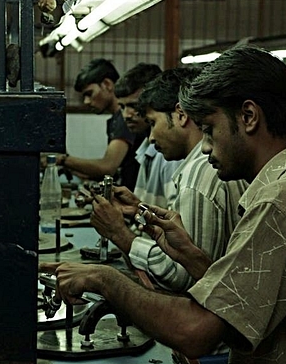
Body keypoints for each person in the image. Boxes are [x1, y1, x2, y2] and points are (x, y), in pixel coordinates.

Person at [42, 45, 286, 364]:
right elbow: (243, 309)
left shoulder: (280, 203)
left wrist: (104, 280)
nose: (204, 146)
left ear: (248, 116)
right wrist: (192, 257)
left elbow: (196, 332)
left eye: (211, 129)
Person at [92, 67, 247, 293]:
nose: (151, 136)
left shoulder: (199, 174)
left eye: (153, 123)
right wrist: (139, 209)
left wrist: (119, 233)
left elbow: (181, 277)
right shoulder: (206, 166)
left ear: (181, 115)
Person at [53, 58, 141, 191]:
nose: (86, 101)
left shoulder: (125, 119)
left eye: (89, 94)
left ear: (107, 84)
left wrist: (62, 160)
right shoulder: (115, 120)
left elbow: (107, 167)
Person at [114, 62, 182, 208]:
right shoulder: (147, 149)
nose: (126, 115)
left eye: (133, 105)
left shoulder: (170, 156)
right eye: (122, 107)